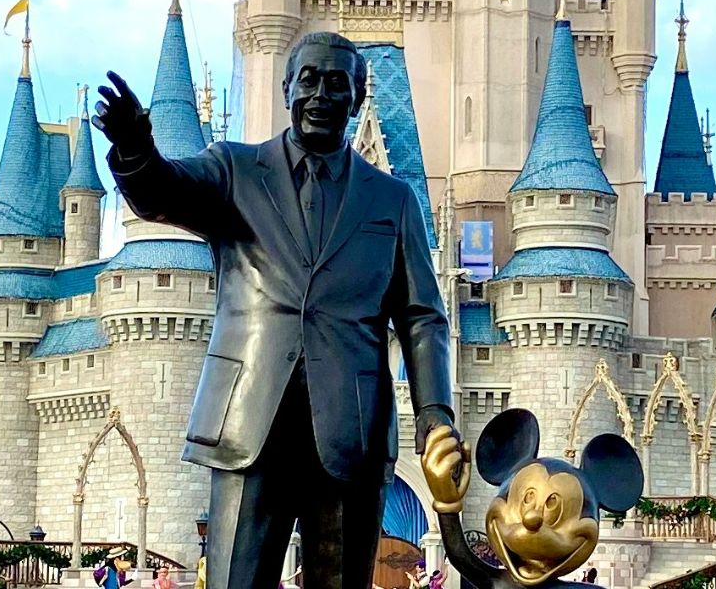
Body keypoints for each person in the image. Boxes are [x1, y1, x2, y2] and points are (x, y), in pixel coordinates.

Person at [96, 32, 458, 589]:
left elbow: (422, 315)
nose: (321, 94)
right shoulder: (235, 171)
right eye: (308, 79)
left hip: (351, 432)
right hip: (249, 422)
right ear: (286, 87)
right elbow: (161, 194)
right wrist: (135, 151)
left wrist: (435, 414)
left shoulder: (392, 199)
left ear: (358, 97)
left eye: (338, 83)